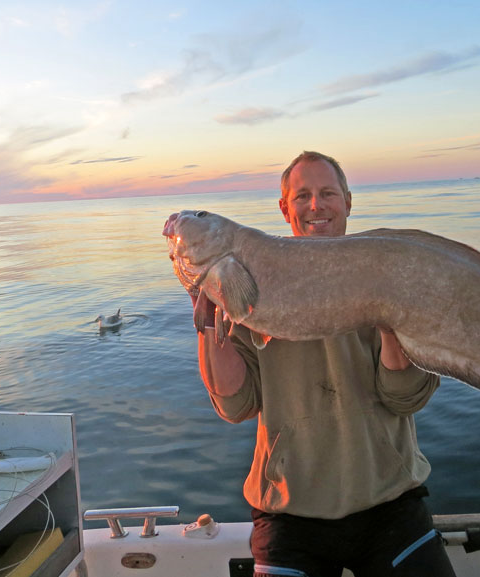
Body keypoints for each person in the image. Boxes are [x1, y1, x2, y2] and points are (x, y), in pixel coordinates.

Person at [192, 151, 456, 577]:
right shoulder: (245, 283)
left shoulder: (386, 269)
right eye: (303, 196)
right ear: (285, 208)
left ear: (348, 201)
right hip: (288, 510)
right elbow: (235, 406)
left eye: (327, 193)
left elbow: (405, 397)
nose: (316, 206)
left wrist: (391, 319)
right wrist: (206, 320)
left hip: (389, 501)